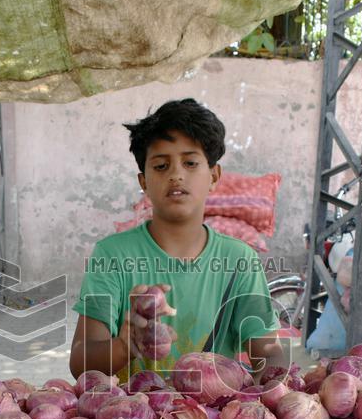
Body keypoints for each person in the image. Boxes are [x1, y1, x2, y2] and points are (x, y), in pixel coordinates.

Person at [70, 98, 285, 382]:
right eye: (161, 166)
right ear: (143, 181)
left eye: (190, 162)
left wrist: (276, 388)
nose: (176, 175)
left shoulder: (239, 260)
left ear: (213, 175)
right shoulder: (112, 256)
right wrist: (124, 346)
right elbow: (80, 363)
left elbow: (269, 353)